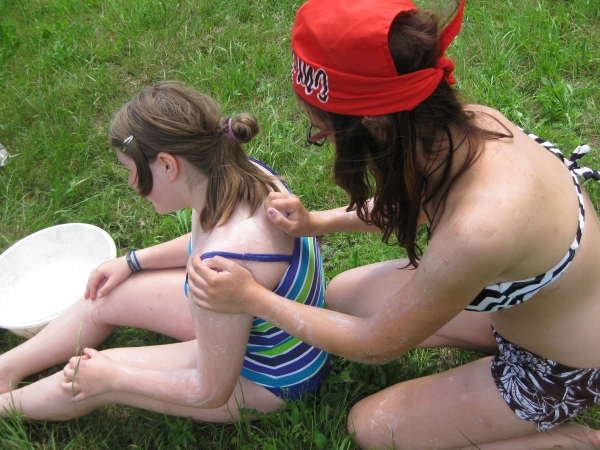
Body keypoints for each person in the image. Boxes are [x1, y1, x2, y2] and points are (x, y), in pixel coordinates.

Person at [186, 0, 600, 448]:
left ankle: (575, 442)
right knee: (343, 295)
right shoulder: (468, 127)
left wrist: (252, 298)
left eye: (325, 131)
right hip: (529, 311)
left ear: (374, 124)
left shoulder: (478, 230)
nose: (324, 140)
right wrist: (316, 222)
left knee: (371, 427)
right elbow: (418, 202)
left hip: (564, 364)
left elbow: (376, 344)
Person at [0, 81, 329, 421]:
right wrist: (132, 262)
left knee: (90, 375)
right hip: (257, 329)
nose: (131, 183)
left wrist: (114, 377)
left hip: (268, 379)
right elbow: (206, 239)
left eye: (131, 170)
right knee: (105, 292)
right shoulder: (240, 173)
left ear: (168, 165)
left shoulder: (222, 266)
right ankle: (4, 369)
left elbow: (209, 390)